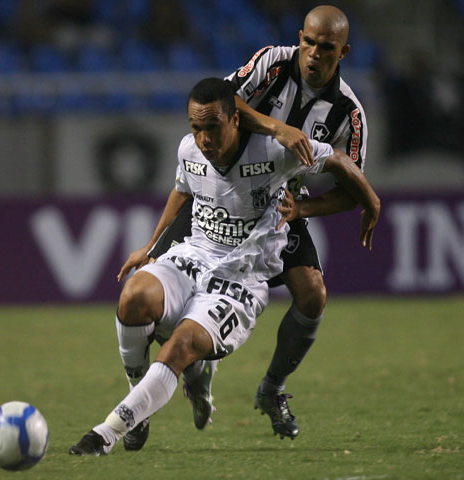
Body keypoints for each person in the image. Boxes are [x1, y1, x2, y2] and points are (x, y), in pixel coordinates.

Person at [69, 77, 380, 456]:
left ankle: (108, 431)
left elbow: (339, 161)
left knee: (181, 344)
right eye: (196, 128)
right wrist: (150, 246)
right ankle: (141, 407)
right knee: (133, 296)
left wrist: (371, 201)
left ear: (236, 120)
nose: (203, 139)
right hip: (195, 253)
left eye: (212, 127)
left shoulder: (275, 151)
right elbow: (183, 190)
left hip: (241, 277)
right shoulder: (189, 149)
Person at [135, 5, 369, 445]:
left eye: (327, 48)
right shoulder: (271, 62)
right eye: (310, 43)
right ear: (300, 38)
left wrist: (302, 211)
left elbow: (352, 189)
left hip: (274, 207)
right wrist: (276, 128)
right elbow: (221, 97)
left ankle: (272, 388)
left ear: (344, 52)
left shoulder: (349, 115)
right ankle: (154, 391)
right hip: (218, 195)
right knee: (158, 290)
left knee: (313, 294)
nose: (315, 54)